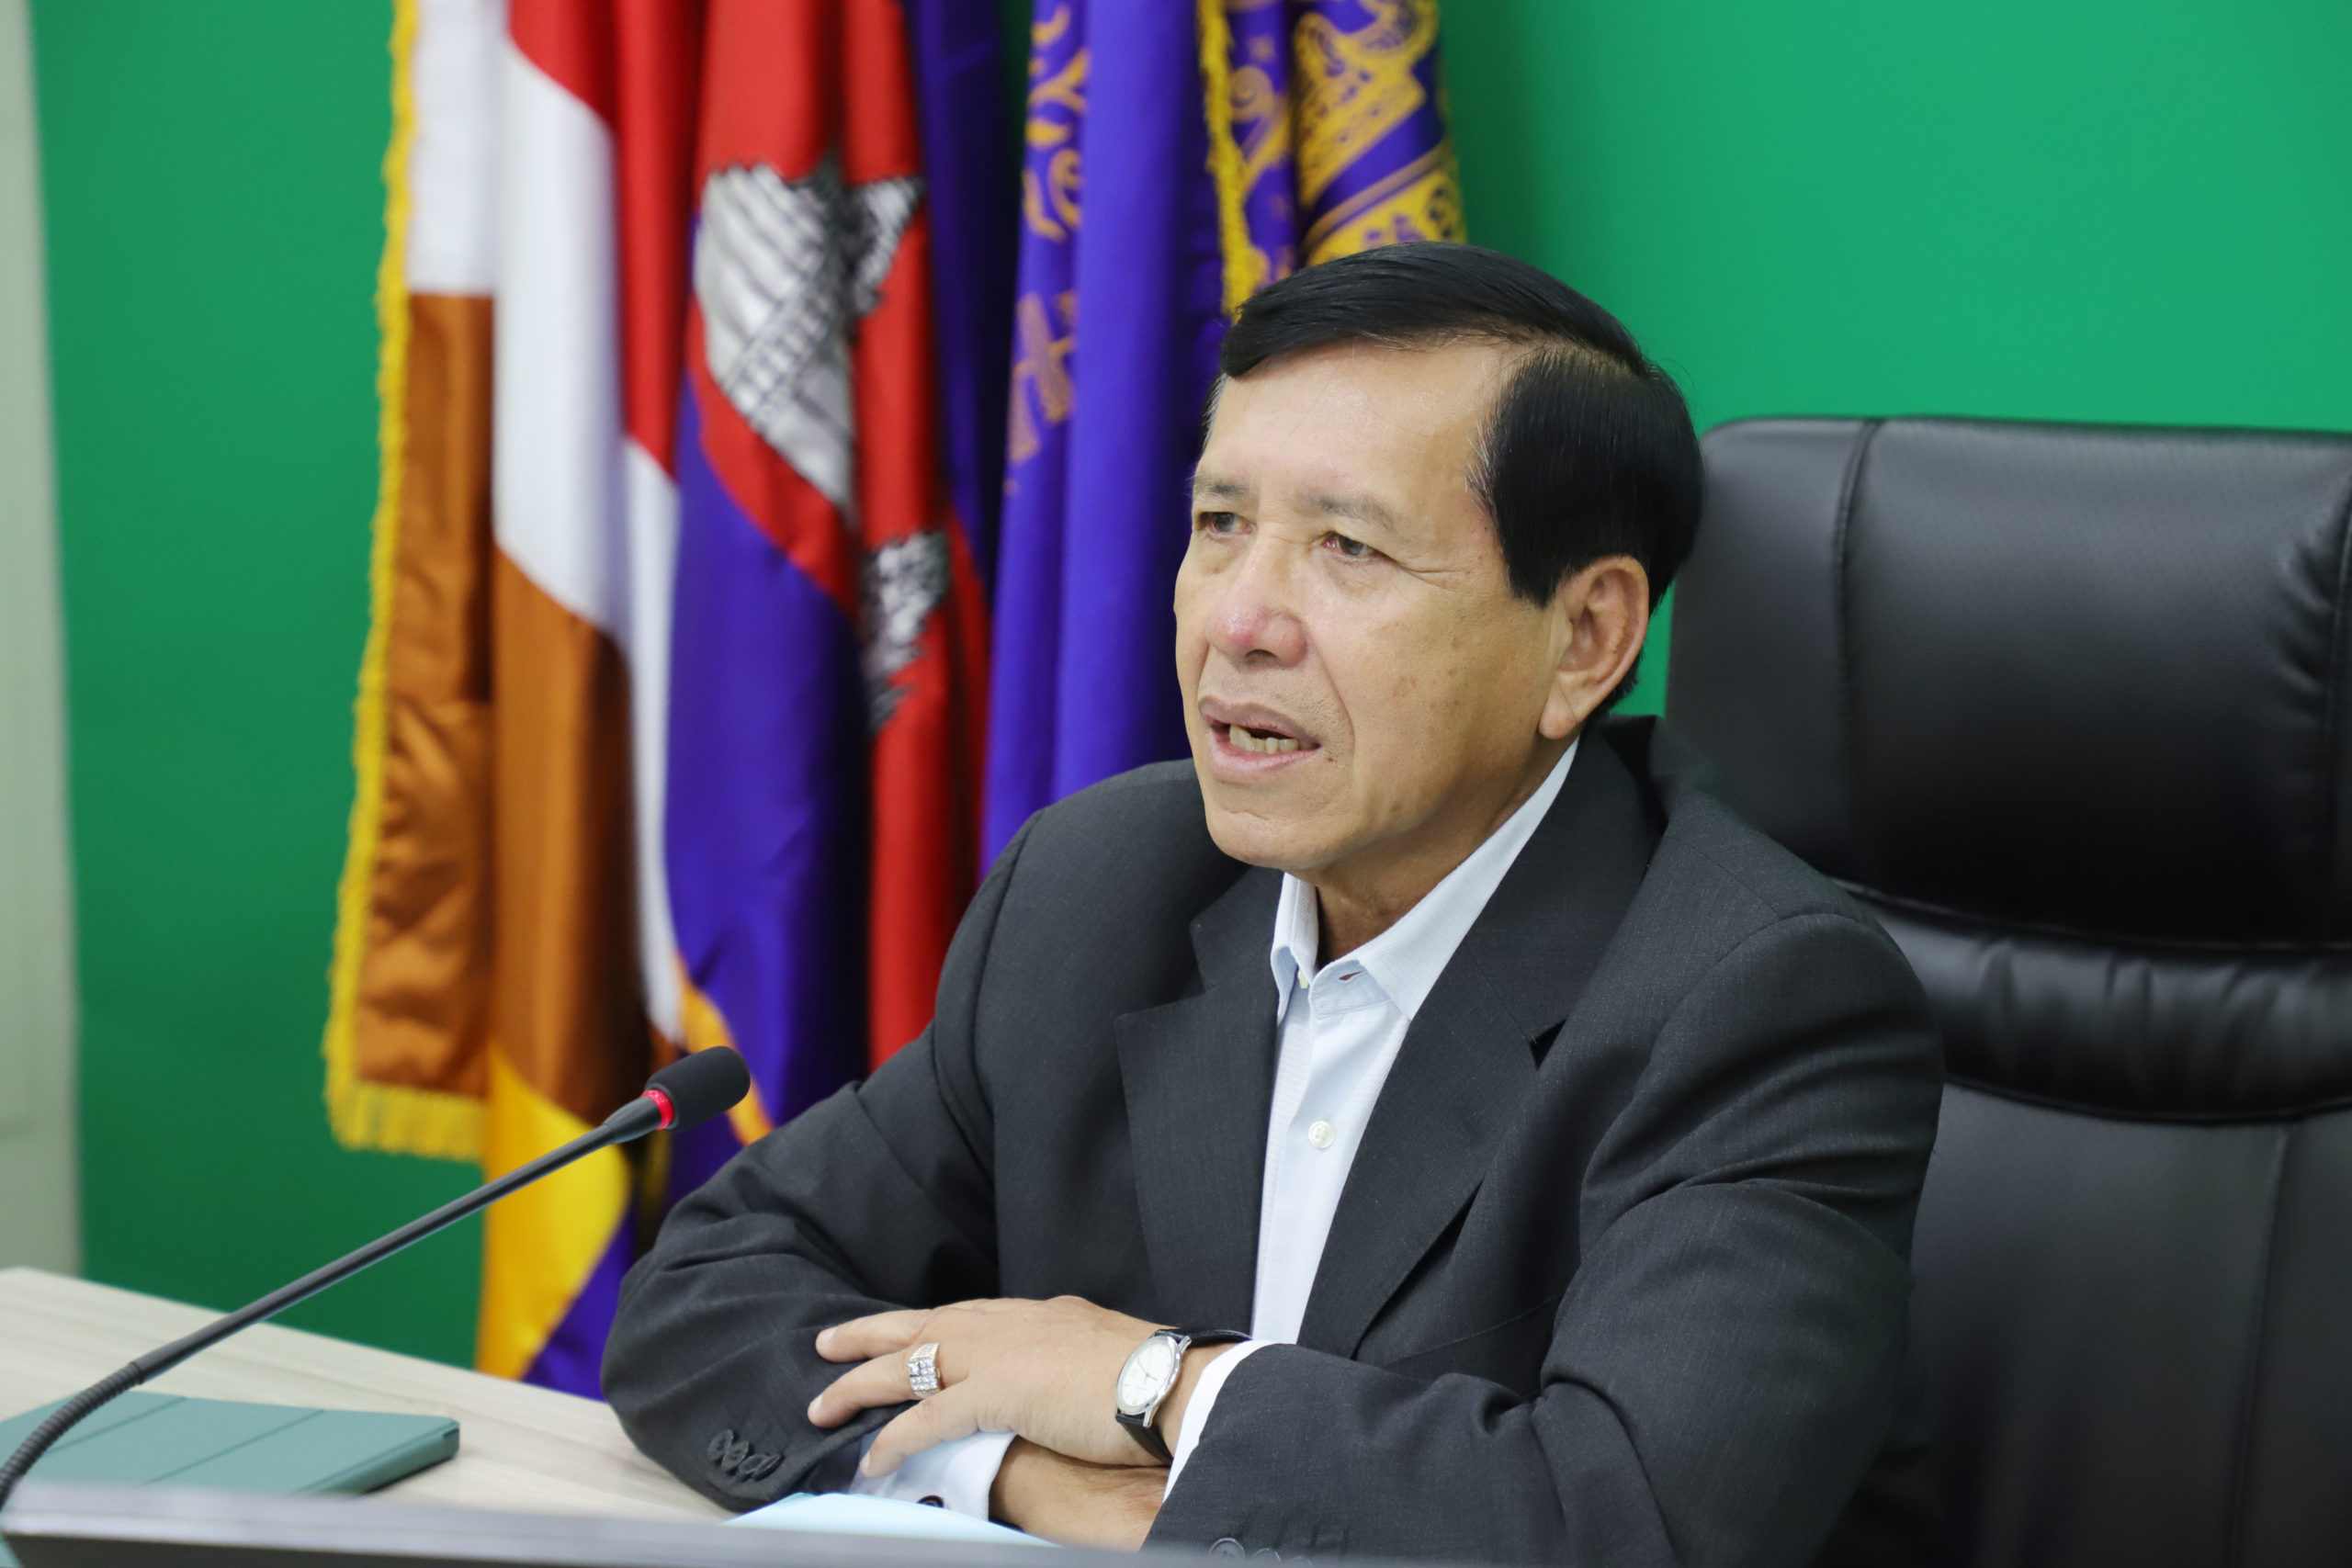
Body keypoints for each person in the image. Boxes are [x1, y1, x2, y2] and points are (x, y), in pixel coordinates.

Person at [603, 243, 1942, 1567]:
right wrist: (1007, 1472)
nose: (1239, 622)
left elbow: (1629, 1522)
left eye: (1348, 547)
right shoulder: (1099, 888)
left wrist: (1155, 1387)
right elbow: (708, 1298)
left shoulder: (1754, 998)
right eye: (1220, 526)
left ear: (1584, 639)